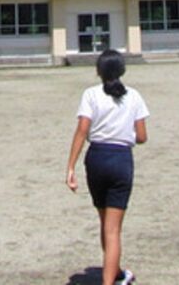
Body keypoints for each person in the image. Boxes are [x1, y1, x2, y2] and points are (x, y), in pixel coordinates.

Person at [66, 49, 149, 285]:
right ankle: (109, 281)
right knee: (113, 229)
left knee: (105, 223)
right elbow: (142, 136)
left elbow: (82, 130)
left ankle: (117, 272)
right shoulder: (133, 96)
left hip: (96, 158)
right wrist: (123, 133)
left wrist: (70, 168)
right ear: (122, 70)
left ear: (99, 72)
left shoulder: (91, 95)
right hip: (120, 158)